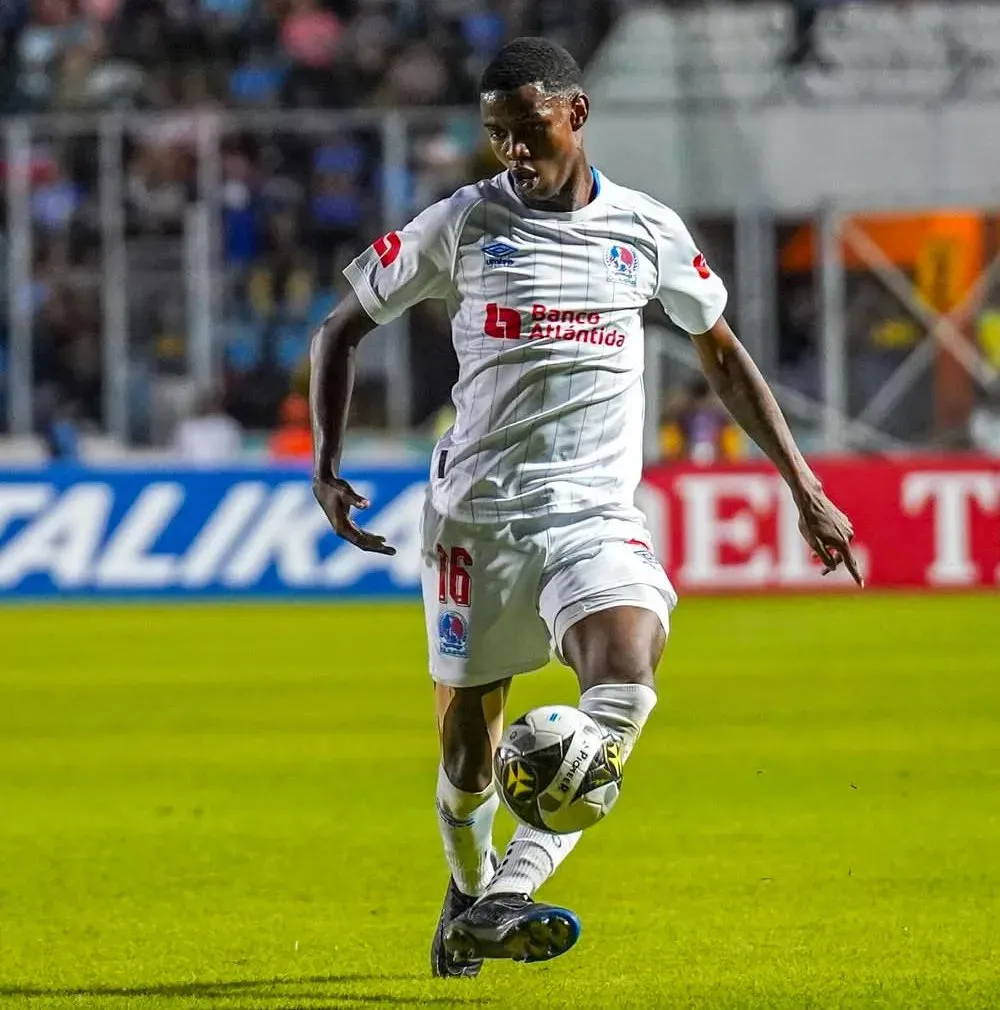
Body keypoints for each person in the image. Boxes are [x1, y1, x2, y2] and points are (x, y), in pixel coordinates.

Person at [309, 37, 863, 977]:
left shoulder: (646, 230)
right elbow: (341, 327)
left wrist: (804, 485)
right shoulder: (461, 225)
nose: (512, 153)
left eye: (525, 130)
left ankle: (512, 892)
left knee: (628, 667)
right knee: (468, 765)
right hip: (476, 521)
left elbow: (722, 354)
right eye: (495, 137)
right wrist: (326, 465)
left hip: (595, 520)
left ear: (576, 114)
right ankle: (469, 888)